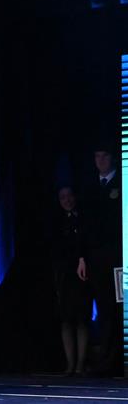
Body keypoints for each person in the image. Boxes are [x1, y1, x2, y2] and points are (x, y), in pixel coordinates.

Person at [83, 143, 123, 377]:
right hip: (97, 259)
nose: (101, 161)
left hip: (119, 258)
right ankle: (106, 360)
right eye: (97, 156)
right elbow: (86, 225)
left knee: (119, 308)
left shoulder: (122, 183)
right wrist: (83, 256)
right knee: (104, 309)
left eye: (105, 156)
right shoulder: (90, 187)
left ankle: (119, 360)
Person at [51, 186, 92, 376]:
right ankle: (70, 364)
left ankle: (80, 365)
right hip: (64, 274)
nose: (67, 200)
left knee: (82, 318)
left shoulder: (84, 217)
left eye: (69, 196)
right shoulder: (56, 222)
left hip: (82, 273)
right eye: (62, 197)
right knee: (66, 319)